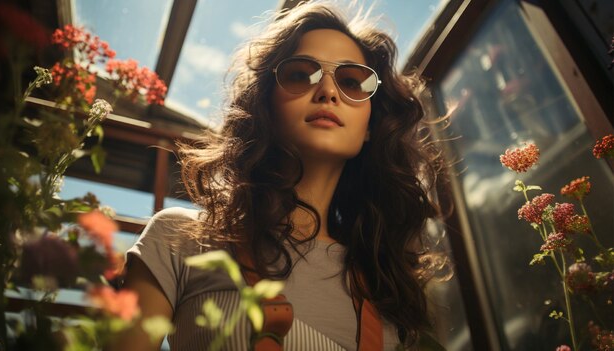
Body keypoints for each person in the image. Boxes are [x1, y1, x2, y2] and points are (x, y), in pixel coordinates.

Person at [116, 1, 443, 350]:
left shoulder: (388, 290)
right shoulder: (180, 239)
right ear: (265, 104)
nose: (328, 92)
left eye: (351, 81)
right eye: (301, 74)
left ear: (369, 126)